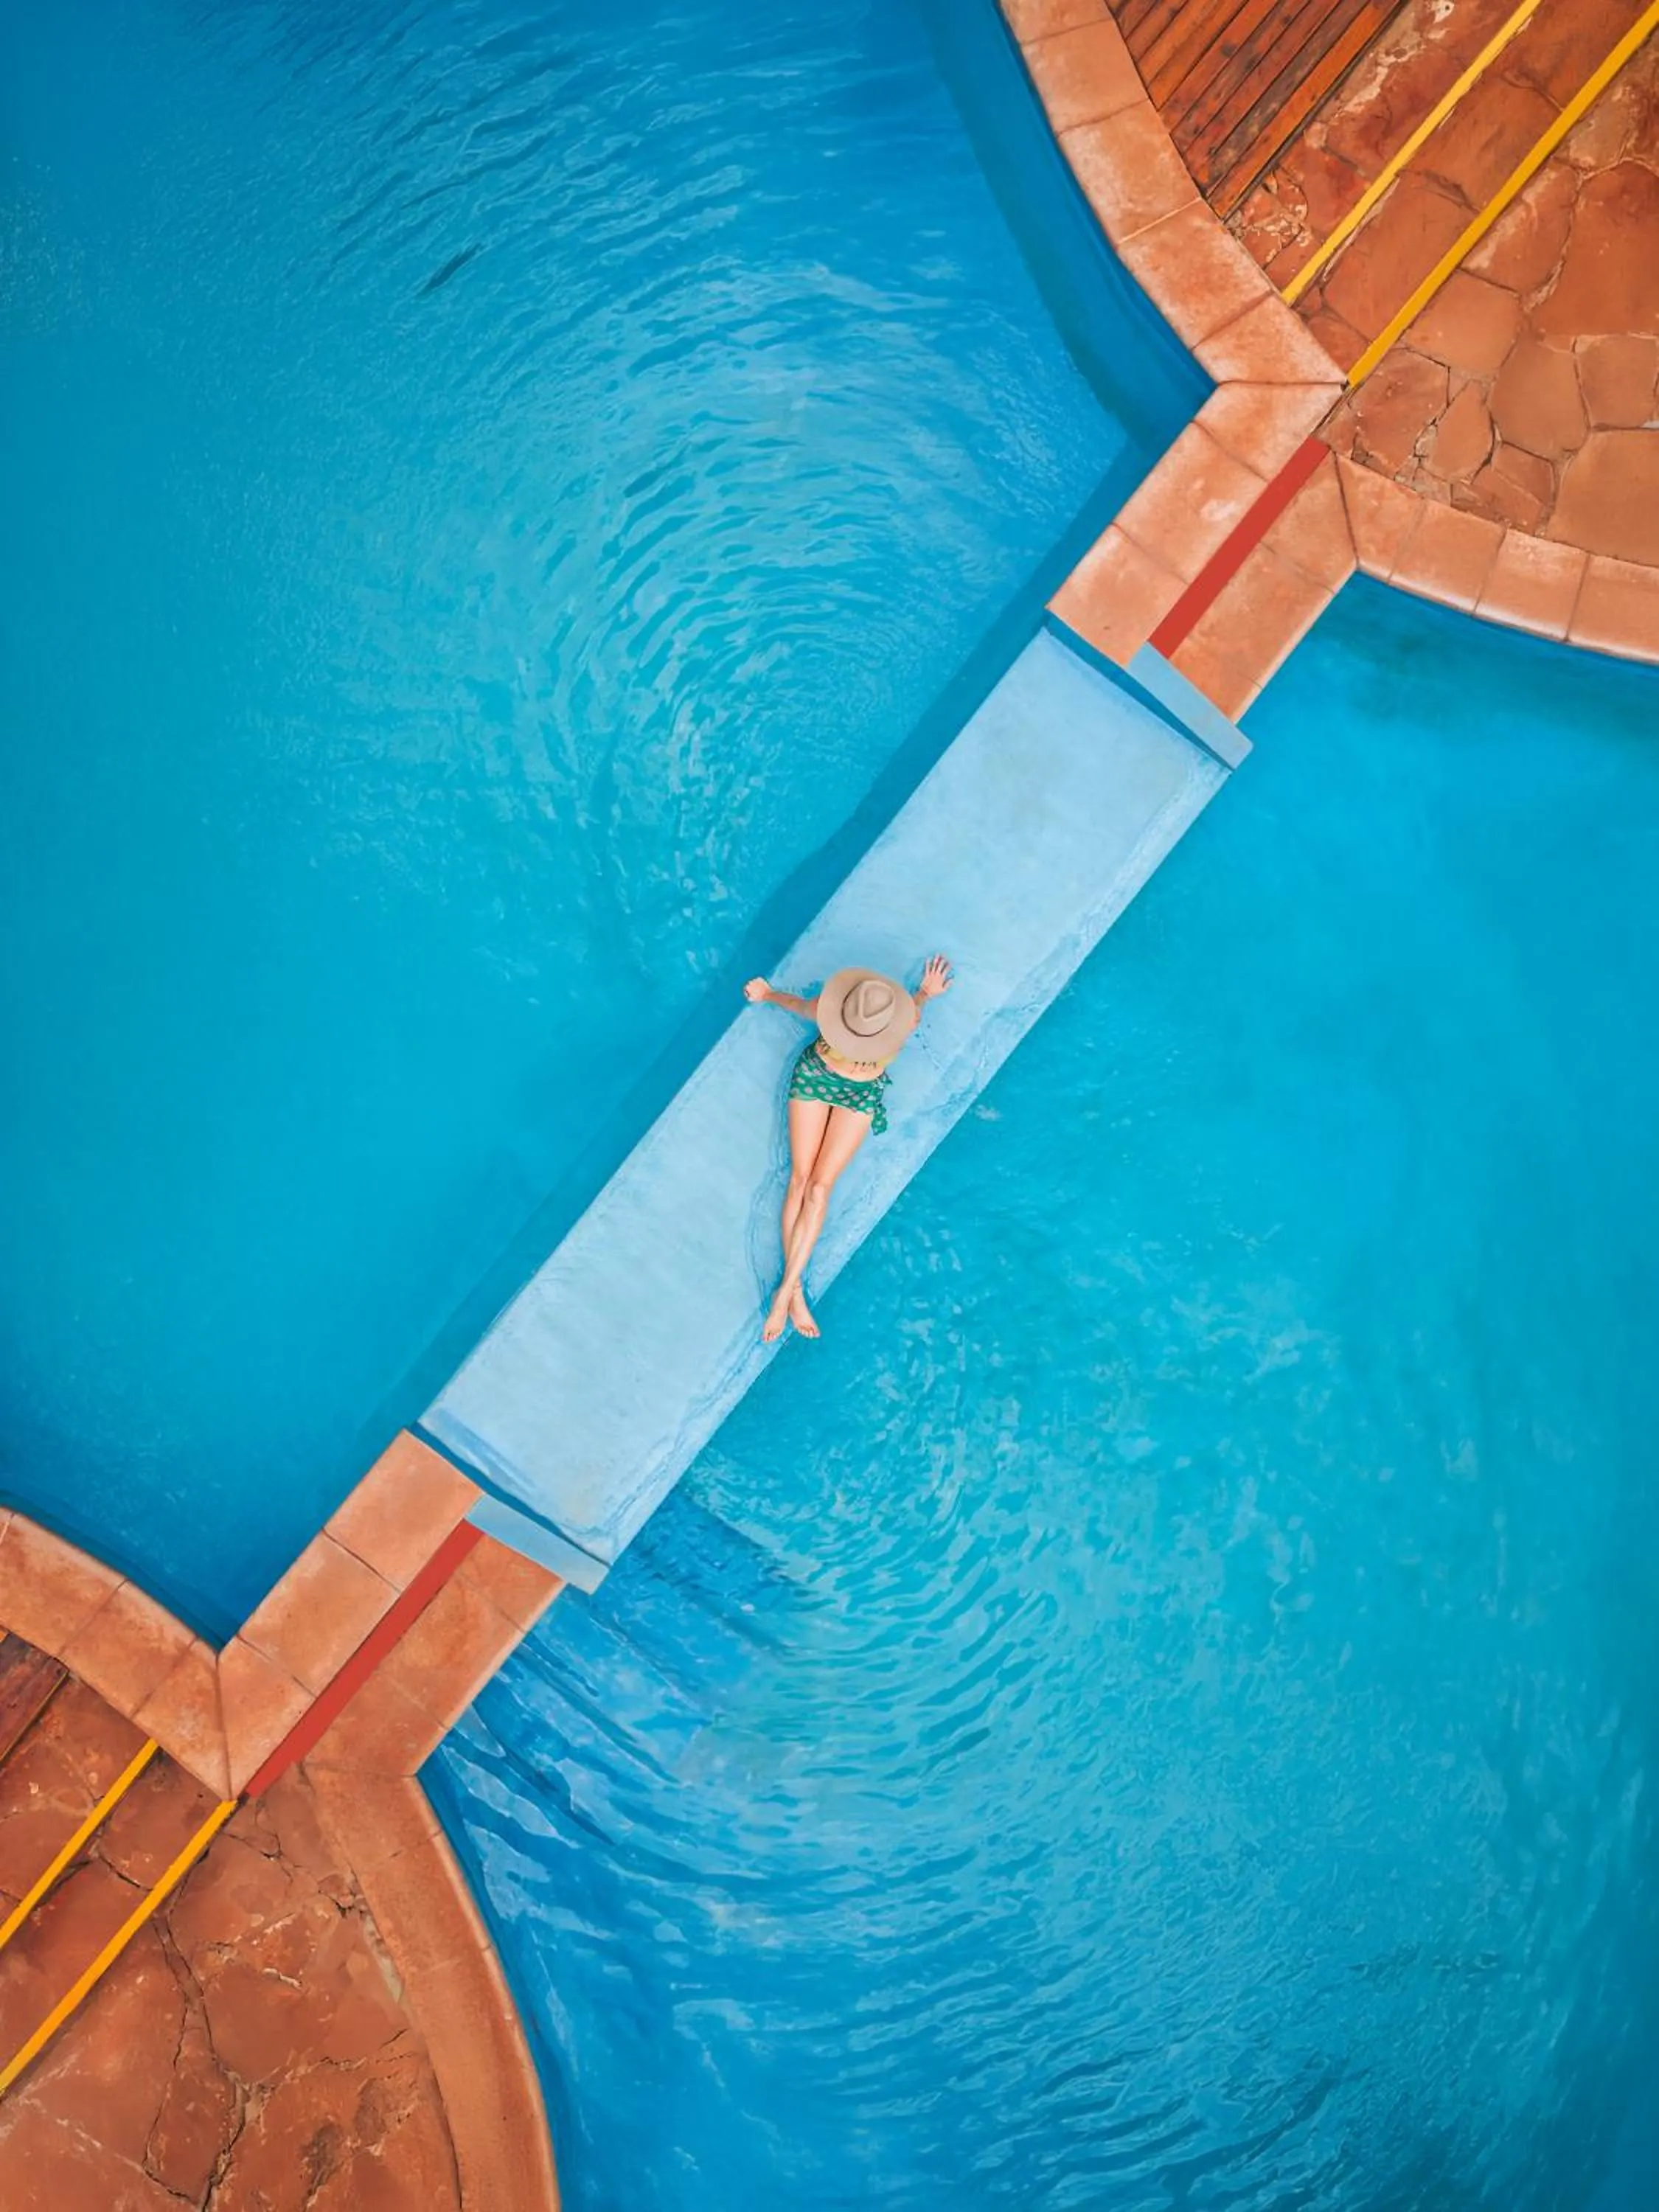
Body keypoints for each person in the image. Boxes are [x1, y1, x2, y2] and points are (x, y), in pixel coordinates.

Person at [742, 956, 953, 1342]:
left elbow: (914, 1009)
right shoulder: (830, 1010)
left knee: (819, 1189)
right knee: (800, 1180)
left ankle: (785, 1294)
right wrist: (768, 994)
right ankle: (793, 1292)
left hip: (861, 1095)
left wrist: (925, 992)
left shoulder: (904, 1021)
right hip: (816, 1078)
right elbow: (798, 1005)